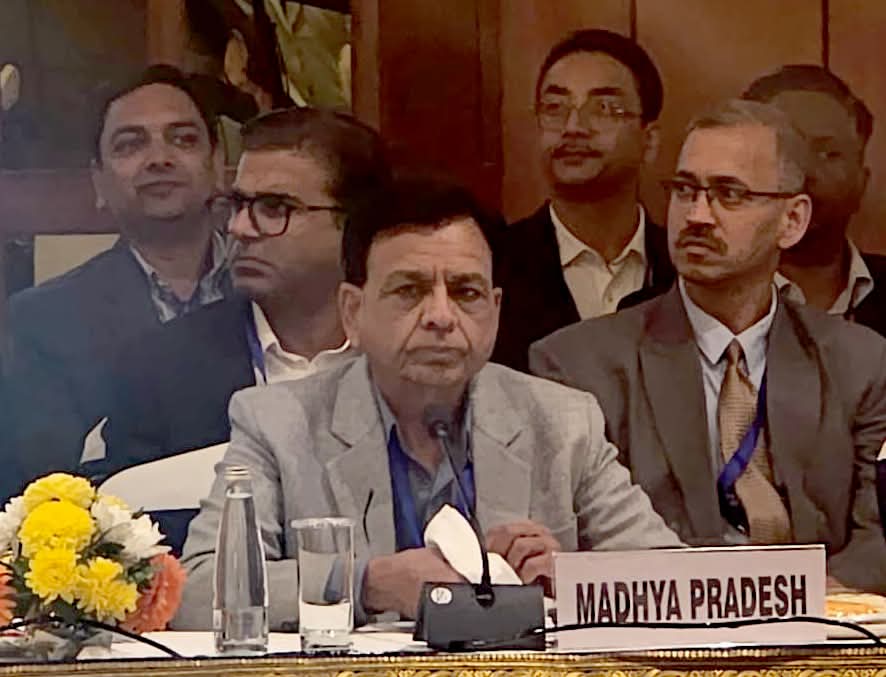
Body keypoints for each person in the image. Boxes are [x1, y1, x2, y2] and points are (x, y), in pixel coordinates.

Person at [174, 176, 682, 631]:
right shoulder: (278, 423)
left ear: (495, 311)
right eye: (410, 290)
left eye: (465, 292)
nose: (441, 316)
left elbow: (677, 580)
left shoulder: (563, 422)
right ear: (353, 311)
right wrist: (368, 583)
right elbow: (196, 591)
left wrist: (574, 579)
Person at [531, 100, 886, 593]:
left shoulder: (862, 362)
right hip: (660, 628)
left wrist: (800, 602)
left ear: (792, 219)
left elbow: (879, 535)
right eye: (685, 190)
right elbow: (573, 547)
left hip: (823, 623)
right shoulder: (577, 366)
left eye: (728, 194)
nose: (697, 216)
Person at [91, 107, 387, 478]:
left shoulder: (413, 350)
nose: (240, 228)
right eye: (237, 205)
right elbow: (128, 506)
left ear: (356, 223)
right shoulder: (159, 368)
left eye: (275, 208)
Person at [0, 65, 227, 499]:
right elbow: (39, 487)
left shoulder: (271, 294)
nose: (159, 158)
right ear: (99, 182)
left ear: (217, 165)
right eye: (130, 144)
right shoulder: (43, 321)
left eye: (183, 139)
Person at [492, 29, 675, 372]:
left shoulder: (685, 270)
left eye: (603, 108)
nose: (573, 127)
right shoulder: (492, 266)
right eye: (555, 108)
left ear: (649, 141)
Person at [743, 64, 886, 336]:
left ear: (862, 182)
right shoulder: (691, 299)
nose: (806, 172)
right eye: (785, 151)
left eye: (828, 154)